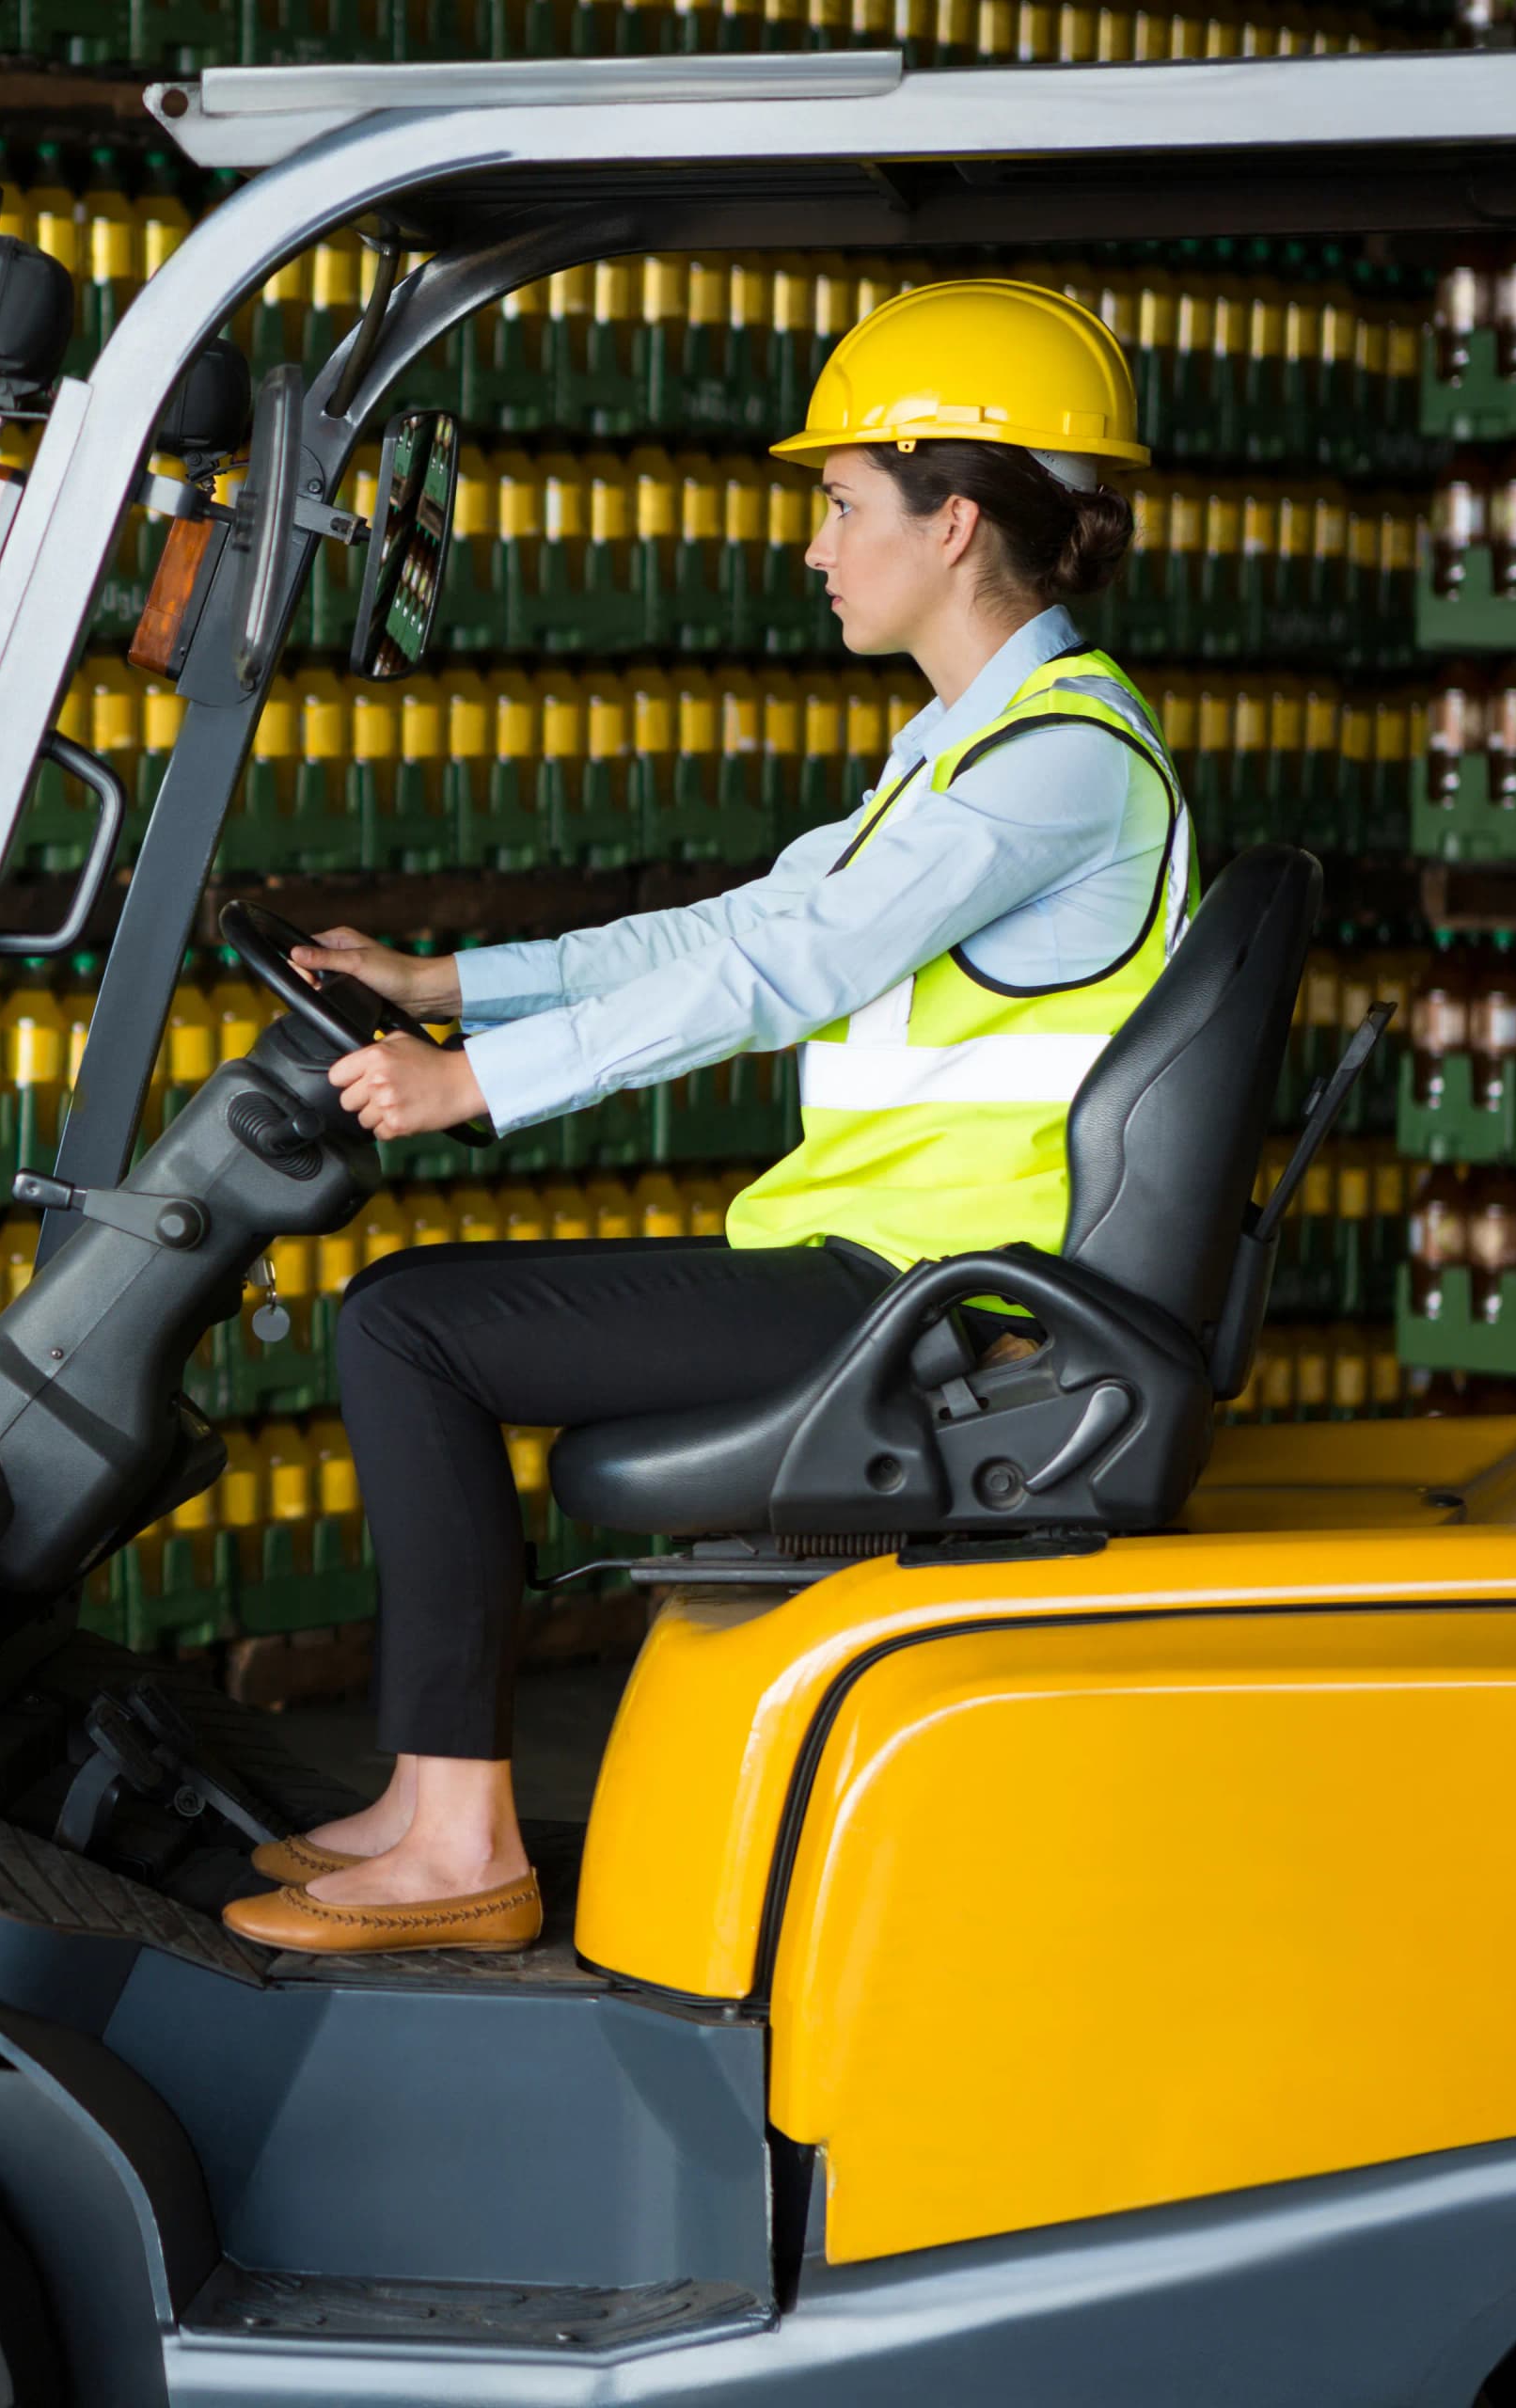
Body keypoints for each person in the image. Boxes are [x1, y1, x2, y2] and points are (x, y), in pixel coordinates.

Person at [224, 279, 1193, 1959]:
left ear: (955, 523)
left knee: (409, 1331)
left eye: (843, 504)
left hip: (934, 1298)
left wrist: (478, 1086)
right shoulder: (971, 749)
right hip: (899, 1273)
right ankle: (427, 1797)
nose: (816, 548)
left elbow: (780, 972)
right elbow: (732, 924)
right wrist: (449, 984)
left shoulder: (1056, 767)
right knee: (403, 1314)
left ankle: (459, 1840)